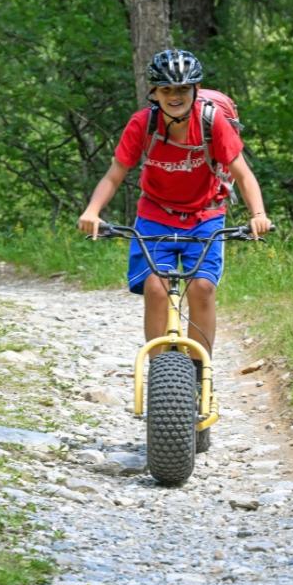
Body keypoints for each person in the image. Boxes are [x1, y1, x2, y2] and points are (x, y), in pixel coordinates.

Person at [77, 48, 271, 358]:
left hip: (205, 216)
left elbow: (244, 175)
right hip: (155, 215)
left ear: (196, 89)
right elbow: (114, 176)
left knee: (202, 288)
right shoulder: (143, 124)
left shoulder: (211, 122)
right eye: (166, 89)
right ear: (154, 93)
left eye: (182, 89)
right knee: (156, 287)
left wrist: (258, 215)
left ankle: (198, 371)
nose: (174, 96)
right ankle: (160, 370)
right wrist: (92, 211)